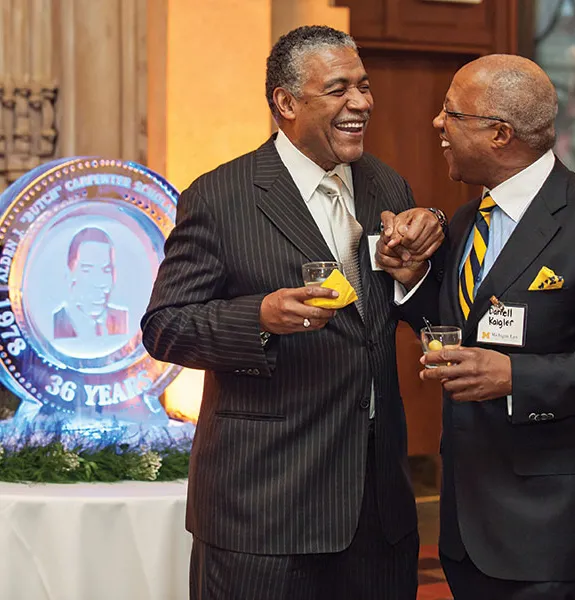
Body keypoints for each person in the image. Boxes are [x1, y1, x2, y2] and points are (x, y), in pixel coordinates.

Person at [141, 25, 445, 600]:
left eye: (364, 86)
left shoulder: (387, 184)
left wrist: (415, 279)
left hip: (377, 513)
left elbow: (405, 314)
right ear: (286, 102)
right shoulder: (221, 195)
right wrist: (258, 317)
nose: (361, 103)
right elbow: (165, 326)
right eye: (338, 90)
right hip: (265, 510)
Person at [381, 54, 575, 599]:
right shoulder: (467, 219)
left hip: (558, 529)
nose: (437, 125)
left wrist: (517, 377)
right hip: (469, 526)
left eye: (451, 113)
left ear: (499, 134)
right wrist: (411, 283)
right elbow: (459, 333)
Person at [53, 226, 128, 339]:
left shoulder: (122, 319)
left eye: (106, 270)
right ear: (70, 275)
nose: (100, 282)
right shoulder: (56, 324)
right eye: (87, 270)